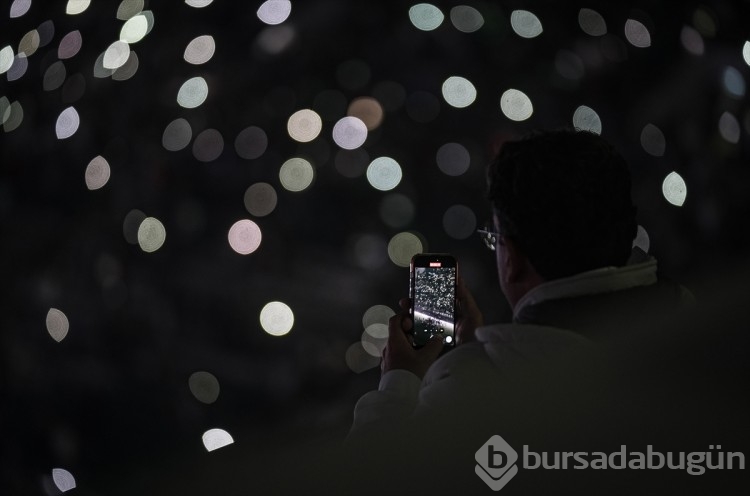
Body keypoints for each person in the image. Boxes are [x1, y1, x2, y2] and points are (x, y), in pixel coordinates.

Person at [350, 129, 693, 435]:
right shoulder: (686, 309)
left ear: (511, 258)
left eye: (495, 238)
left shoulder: (470, 396)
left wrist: (400, 381)